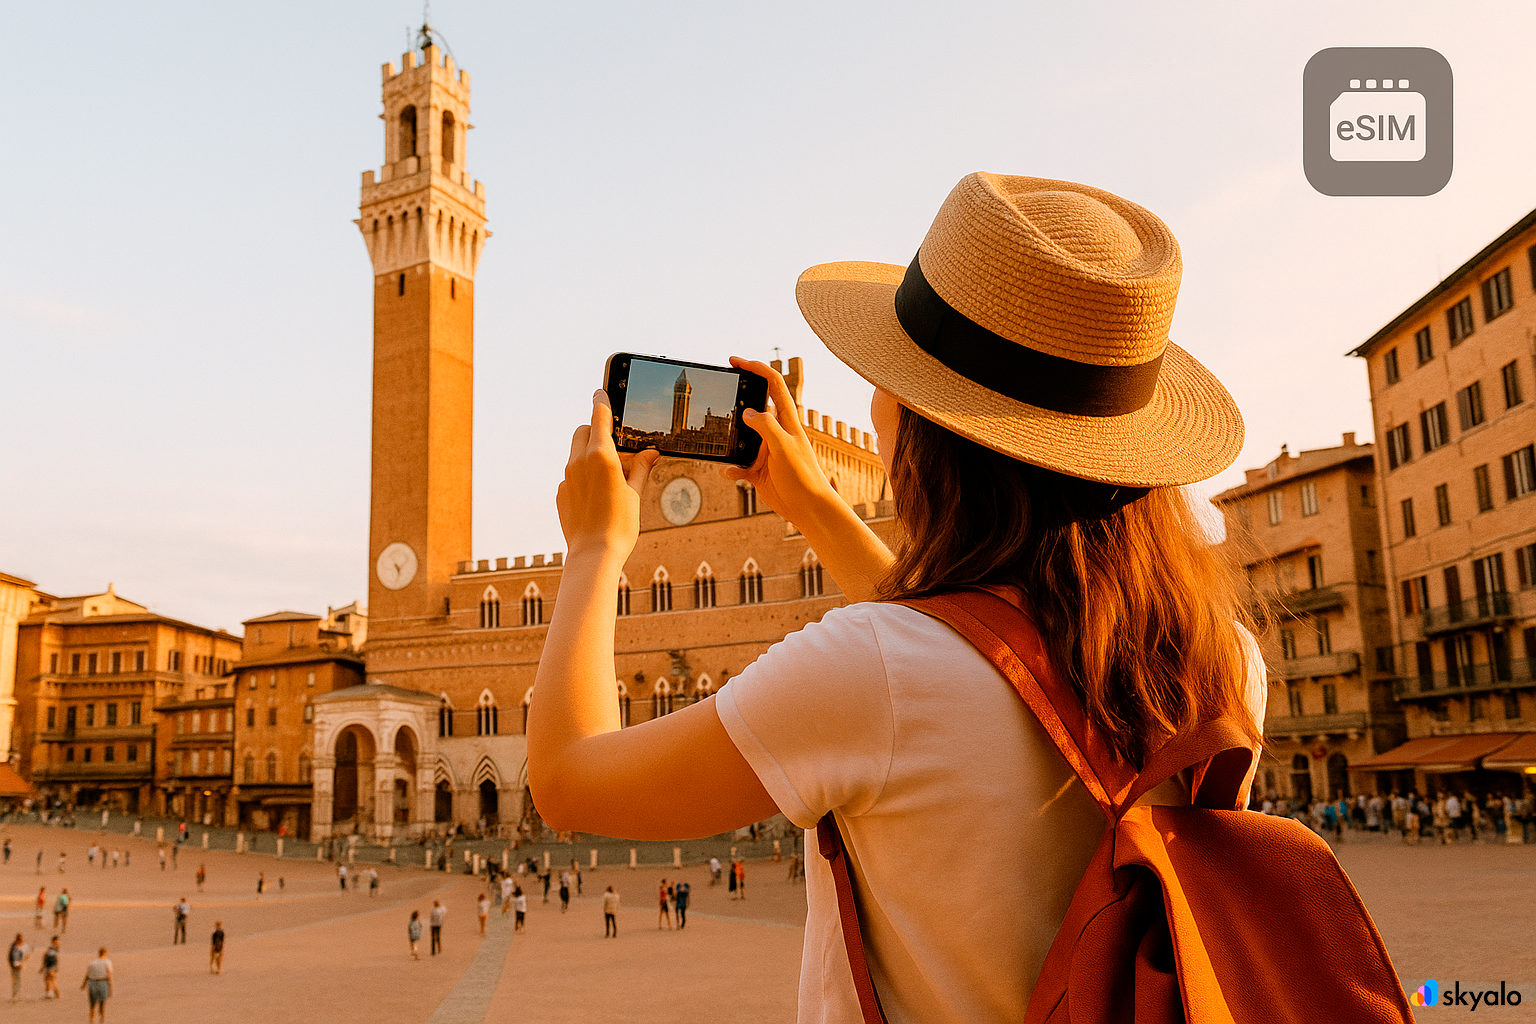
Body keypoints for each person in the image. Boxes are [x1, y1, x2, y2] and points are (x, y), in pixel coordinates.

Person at [524, 172, 1268, 1022]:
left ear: (930, 429)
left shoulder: (870, 671)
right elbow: (983, 662)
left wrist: (593, 550)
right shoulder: (1225, 662)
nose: (872, 401)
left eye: (888, 374)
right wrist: (812, 504)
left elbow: (568, 781)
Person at [82, 946, 111, 1021]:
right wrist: (110, 988)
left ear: (99, 953)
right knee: (102, 1002)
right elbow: (109, 975)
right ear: (105, 953)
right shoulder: (107, 962)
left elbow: (87, 974)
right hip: (103, 982)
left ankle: (92, 1019)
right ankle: (102, 1018)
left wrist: (83, 984)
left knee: (92, 1003)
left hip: (92, 983)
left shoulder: (92, 963)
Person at [8, 934, 28, 1001]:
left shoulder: (23, 946)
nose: (19, 941)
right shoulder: (13, 946)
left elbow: (26, 956)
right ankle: (15, 995)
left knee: (18, 981)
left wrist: (23, 963)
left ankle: (16, 995)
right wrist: (12, 965)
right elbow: (10, 957)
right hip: (14, 966)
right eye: (18, 939)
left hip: (20, 965)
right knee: (14, 981)